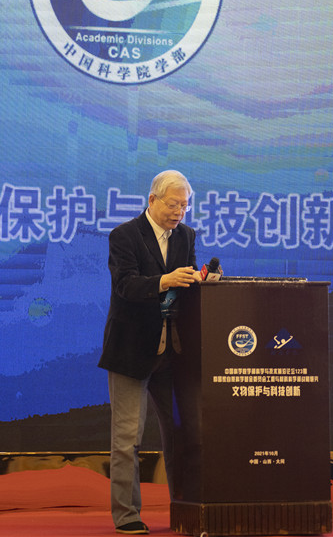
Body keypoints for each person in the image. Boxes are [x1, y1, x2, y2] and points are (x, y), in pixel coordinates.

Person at [98, 169, 201, 535]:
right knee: (127, 439)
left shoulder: (186, 236)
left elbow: (187, 286)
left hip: (173, 353)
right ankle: (126, 515)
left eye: (185, 206)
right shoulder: (124, 235)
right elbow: (125, 286)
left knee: (184, 433)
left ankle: (188, 509)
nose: (179, 213)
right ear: (153, 200)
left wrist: (203, 281)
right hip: (131, 351)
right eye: (173, 205)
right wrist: (164, 281)